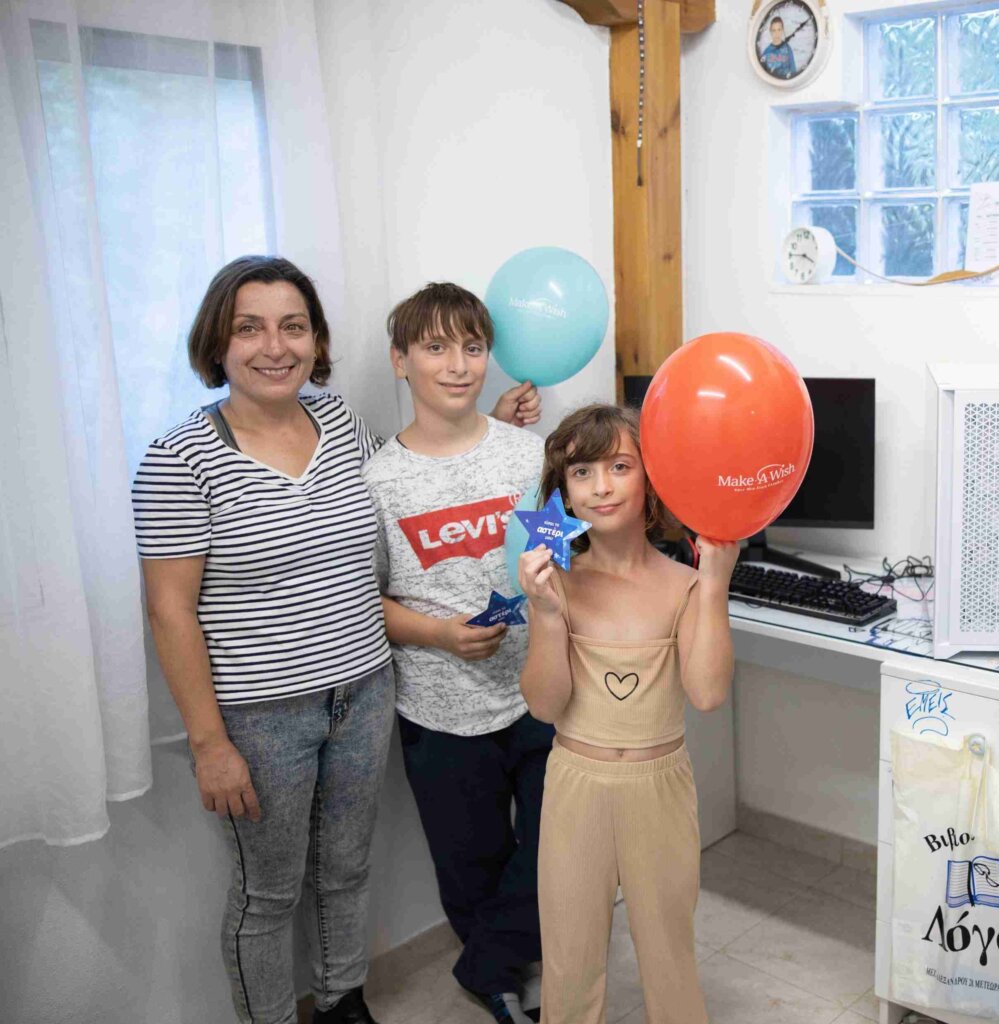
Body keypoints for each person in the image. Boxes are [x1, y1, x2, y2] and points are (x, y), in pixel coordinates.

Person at [133, 256, 540, 1024]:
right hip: (262, 716)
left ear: (316, 341)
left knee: (345, 871)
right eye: (249, 328)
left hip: (365, 691)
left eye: (293, 327)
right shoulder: (179, 460)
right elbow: (169, 612)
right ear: (217, 342)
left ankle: (344, 1004)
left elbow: (423, 468)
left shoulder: (342, 427)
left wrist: (497, 425)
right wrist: (209, 743)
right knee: (267, 893)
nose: (274, 346)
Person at [363, 283, 550, 1024]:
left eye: (472, 347)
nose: (458, 364)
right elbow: (363, 602)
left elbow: (556, 555)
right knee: (469, 863)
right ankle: (499, 978)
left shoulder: (528, 453)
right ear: (400, 361)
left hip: (540, 689)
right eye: (436, 347)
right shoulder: (377, 481)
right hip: (439, 708)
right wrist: (441, 634)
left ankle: (484, 966)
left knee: (559, 843)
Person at [515, 404, 738, 1024]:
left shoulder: (682, 585)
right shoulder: (554, 584)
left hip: (659, 787)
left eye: (619, 466)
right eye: (582, 472)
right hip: (575, 785)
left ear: (651, 478)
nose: (602, 487)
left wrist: (715, 584)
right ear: (563, 492)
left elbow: (707, 694)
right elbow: (544, 704)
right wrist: (546, 614)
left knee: (670, 955)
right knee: (568, 959)